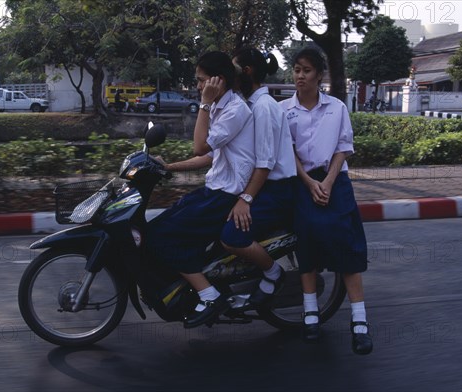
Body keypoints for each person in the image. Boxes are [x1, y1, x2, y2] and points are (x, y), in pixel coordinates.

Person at [146, 51, 255, 329]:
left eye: (201, 81)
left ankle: (209, 295)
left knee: (161, 235)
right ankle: (189, 288)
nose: (197, 87)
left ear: (218, 81)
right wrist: (167, 167)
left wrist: (204, 105)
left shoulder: (234, 110)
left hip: (225, 195)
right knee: (158, 225)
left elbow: (200, 147)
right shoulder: (222, 106)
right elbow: (208, 158)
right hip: (213, 189)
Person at [280, 46, 373, 355]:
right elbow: (286, 151)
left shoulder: (336, 107)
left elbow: (343, 147)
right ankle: (310, 314)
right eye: (296, 70)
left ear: (319, 75)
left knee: (346, 244)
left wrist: (329, 182)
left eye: (306, 70)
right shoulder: (284, 111)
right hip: (302, 182)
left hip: (335, 181)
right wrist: (309, 183)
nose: (300, 76)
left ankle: (359, 321)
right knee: (305, 244)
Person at [220, 47, 296, 307]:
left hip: (277, 192)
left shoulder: (263, 108)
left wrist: (246, 199)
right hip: (266, 187)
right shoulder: (251, 104)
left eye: (234, 69)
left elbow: (264, 164)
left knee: (231, 235)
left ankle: (273, 273)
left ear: (247, 72)